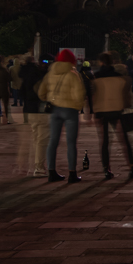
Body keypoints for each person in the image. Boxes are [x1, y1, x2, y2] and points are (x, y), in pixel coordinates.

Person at [39, 49, 86, 183]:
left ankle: (51, 172)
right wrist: (77, 107)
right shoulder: (73, 74)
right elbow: (79, 95)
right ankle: (72, 173)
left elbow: (41, 92)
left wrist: (49, 99)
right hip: (70, 110)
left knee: (53, 141)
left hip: (55, 109)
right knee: (71, 143)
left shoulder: (50, 73)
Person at [91, 53, 133, 180]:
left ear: (100, 62)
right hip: (117, 110)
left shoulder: (96, 77)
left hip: (102, 111)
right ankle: (132, 166)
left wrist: (92, 112)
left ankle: (106, 169)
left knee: (105, 142)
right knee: (125, 141)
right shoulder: (119, 77)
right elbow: (127, 97)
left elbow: (93, 96)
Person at [17, 58, 50, 176]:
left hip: (29, 110)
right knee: (42, 140)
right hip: (41, 110)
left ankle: (31, 166)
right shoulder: (43, 76)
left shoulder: (26, 74)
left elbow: (21, 93)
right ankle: (39, 167)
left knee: (36, 139)